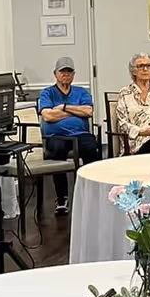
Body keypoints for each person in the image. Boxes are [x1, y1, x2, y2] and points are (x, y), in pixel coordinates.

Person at [37, 55, 101, 214]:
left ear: (73, 74)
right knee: (57, 151)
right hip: (55, 136)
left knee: (91, 148)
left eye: (69, 71)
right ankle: (61, 198)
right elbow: (48, 116)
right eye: (62, 71)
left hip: (81, 134)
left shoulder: (81, 92)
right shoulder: (47, 93)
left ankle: (90, 193)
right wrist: (75, 112)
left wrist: (63, 107)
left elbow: (88, 111)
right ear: (55, 74)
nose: (65, 74)